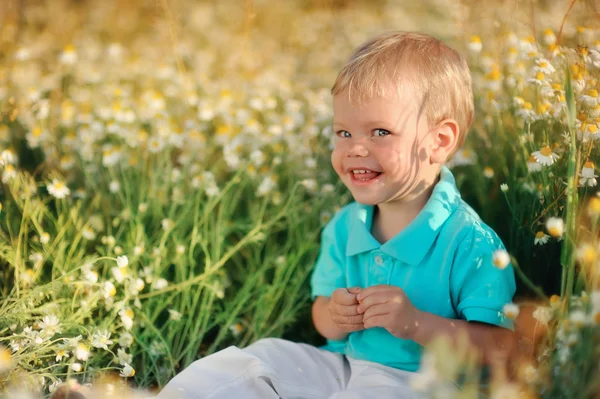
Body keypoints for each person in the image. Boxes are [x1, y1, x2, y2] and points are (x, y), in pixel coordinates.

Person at [156, 31, 516, 399]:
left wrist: (415, 323)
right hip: (345, 364)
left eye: (380, 132)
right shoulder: (347, 225)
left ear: (439, 141)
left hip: (426, 382)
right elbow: (323, 317)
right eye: (343, 132)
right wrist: (335, 315)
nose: (355, 148)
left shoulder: (469, 239)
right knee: (258, 360)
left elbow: (499, 348)